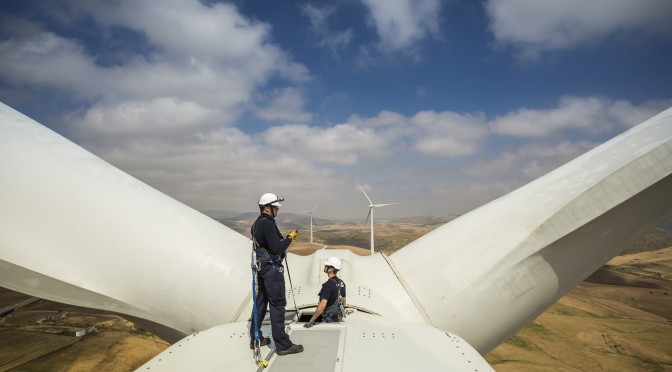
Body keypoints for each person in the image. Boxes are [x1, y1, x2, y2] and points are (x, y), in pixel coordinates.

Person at [250, 192, 303, 356]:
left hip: (262, 269)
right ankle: (282, 344)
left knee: (260, 303)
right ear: (267, 208)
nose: (277, 211)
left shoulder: (257, 223)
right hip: (272, 271)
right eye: (275, 208)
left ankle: (255, 339)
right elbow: (277, 248)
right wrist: (289, 238)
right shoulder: (267, 223)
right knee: (277, 305)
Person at [303, 256, 346, 328]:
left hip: (329, 320)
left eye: (327, 266)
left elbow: (323, 304)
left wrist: (312, 320)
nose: (325, 267)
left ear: (331, 269)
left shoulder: (328, 284)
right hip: (337, 318)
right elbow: (344, 301)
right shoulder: (342, 283)